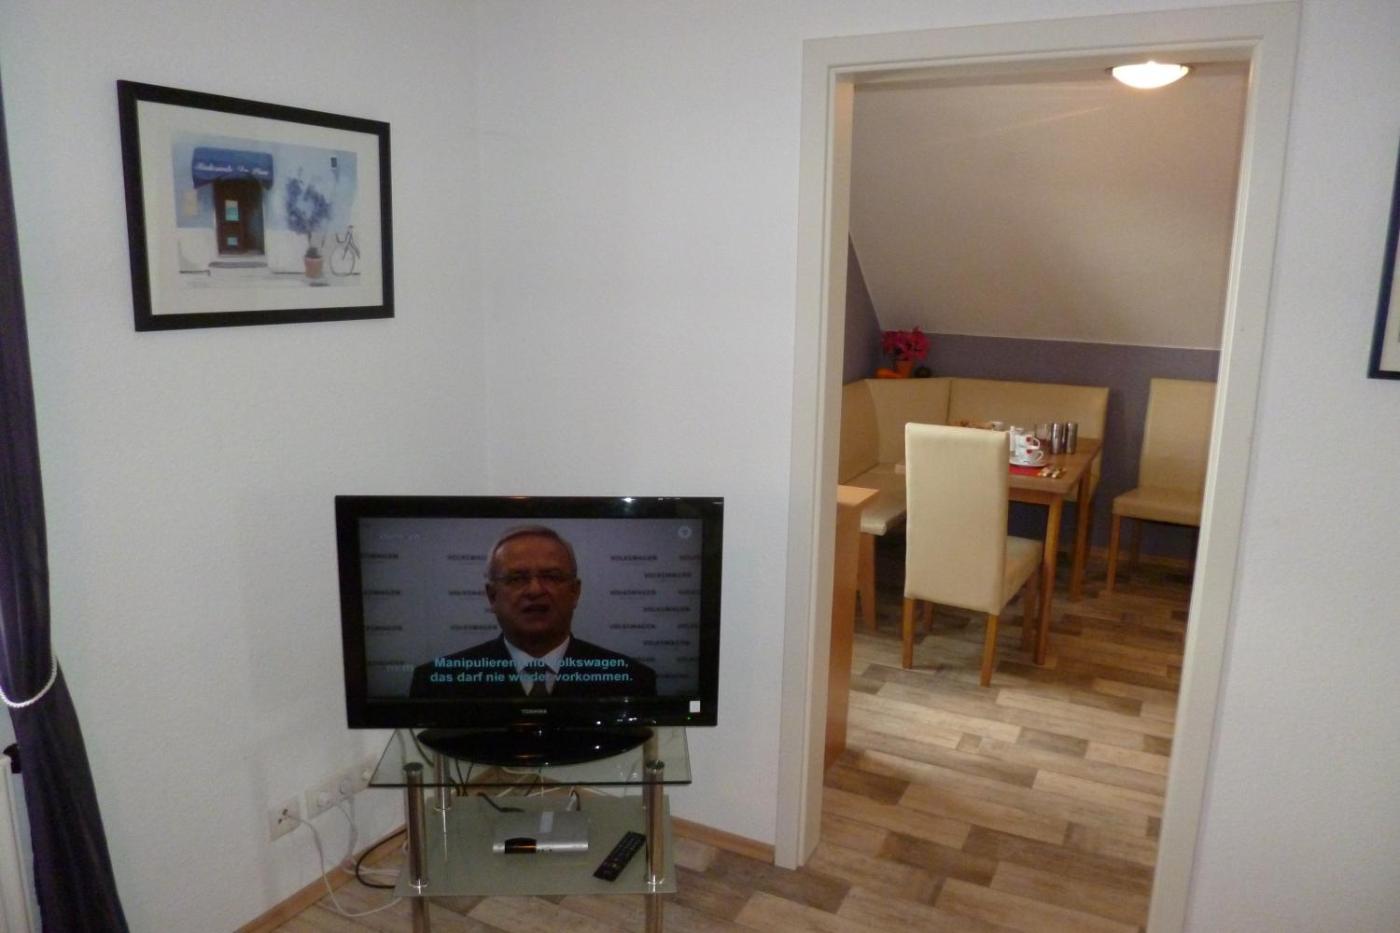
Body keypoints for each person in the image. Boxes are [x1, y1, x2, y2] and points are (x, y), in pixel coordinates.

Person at [409, 525, 657, 698]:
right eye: (517, 578)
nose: (535, 590)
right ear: (492, 596)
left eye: (551, 576)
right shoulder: (437, 682)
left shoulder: (632, 680)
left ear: (575, 592)